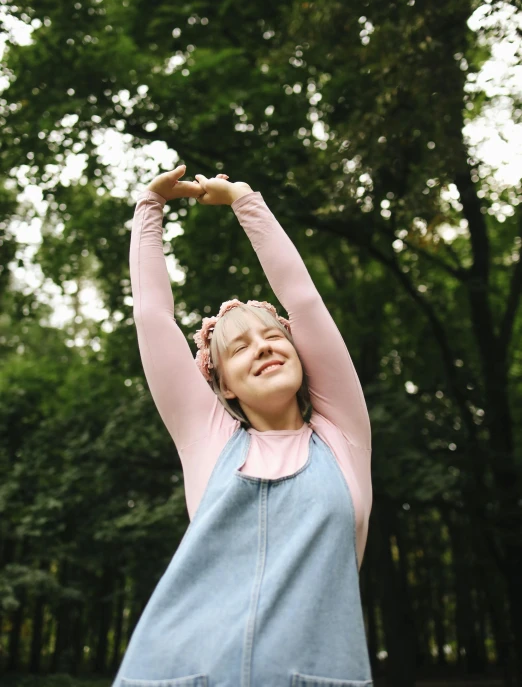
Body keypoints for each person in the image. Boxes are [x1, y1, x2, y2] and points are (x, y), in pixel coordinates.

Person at [112, 164, 373, 687]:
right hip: (182, 672)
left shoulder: (343, 433)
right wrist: (148, 209)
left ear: (298, 351)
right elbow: (152, 319)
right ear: (223, 383)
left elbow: (303, 300)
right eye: (241, 346)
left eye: (274, 336)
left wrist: (245, 201)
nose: (264, 347)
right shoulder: (206, 439)